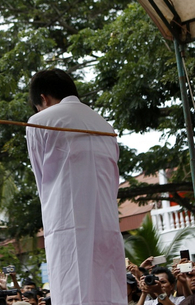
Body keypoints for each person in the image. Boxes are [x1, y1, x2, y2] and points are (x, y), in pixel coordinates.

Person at [25, 69, 125, 305]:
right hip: (106, 222)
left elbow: (41, 178)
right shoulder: (105, 124)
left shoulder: (39, 121)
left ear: (43, 99)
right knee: (108, 289)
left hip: (66, 221)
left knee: (72, 290)